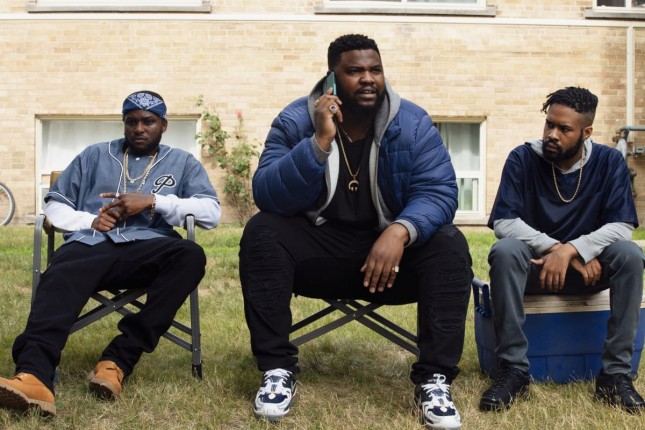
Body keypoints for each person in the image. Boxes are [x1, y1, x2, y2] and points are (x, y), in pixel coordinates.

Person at [239, 34, 472, 429]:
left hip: (390, 262)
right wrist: (319, 141)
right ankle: (276, 370)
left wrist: (400, 231)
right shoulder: (296, 120)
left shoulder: (412, 122)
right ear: (331, 78)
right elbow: (267, 193)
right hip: (320, 254)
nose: (368, 79)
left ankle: (434, 380)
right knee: (262, 231)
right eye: (355, 71)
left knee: (450, 244)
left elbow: (439, 191)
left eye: (375, 70)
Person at [0, 91, 221, 416]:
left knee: (190, 255)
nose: (139, 128)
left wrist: (154, 201)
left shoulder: (183, 162)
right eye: (131, 122)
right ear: (124, 124)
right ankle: (34, 376)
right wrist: (89, 220)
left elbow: (211, 213)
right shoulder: (93, 155)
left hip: (147, 249)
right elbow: (55, 206)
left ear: (163, 125)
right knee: (62, 267)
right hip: (90, 245)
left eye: (148, 121)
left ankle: (117, 361)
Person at [480, 86, 645, 413]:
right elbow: (504, 222)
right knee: (506, 251)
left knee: (630, 254)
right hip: (535, 270)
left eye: (564, 129)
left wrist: (574, 251)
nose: (552, 135)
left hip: (591, 272)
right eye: (549, 124)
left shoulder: (609, 161)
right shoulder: (523, 158)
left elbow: (622, 226)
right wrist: (556, 249)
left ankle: (615, 375)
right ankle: (513, 370)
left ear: (586, 132)